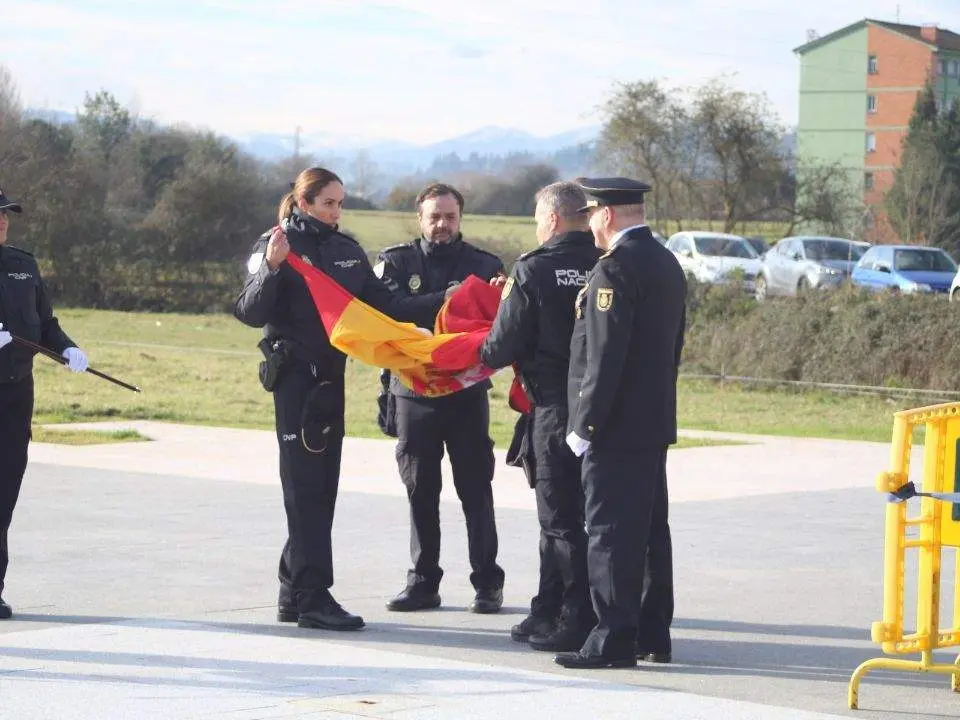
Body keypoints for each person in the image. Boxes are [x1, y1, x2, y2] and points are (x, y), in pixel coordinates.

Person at [235, 167, 451, 631]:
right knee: (305, 489)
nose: (337, 211)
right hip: (295, 384)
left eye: (340, 203)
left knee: (320, 488)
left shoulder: (347, 250)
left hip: (331, 382)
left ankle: (293, 592)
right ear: (303, 202)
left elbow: (387, 306)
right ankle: (313, 597)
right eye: (328, 203)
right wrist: (271, 268)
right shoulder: (276, 246)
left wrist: (445, 300)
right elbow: (249, 312)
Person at [554, 177, 686, 670]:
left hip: (613, 427)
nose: (588, 223)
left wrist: (584, 427)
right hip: (651, 422)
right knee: (650, 530)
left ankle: (612, 639)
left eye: (589, 214)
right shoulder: (665, 260)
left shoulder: (615, 269)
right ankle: (653, 633)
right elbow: (672, 348)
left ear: (605, 215)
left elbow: (604, 358)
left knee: (608, 531)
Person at [479, 181, 600, 651]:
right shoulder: (603, 263)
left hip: (552, 407)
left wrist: (479, 338)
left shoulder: (533, 269)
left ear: (550, 219)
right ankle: (546, 606)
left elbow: (500, 346)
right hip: (597, 407)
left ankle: (574, 615)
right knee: (575, 516)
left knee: (559, 519)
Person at [376, 183, 506, 614]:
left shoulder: (485, 266)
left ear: (460, 218)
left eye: (450, 217)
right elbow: (388, 311)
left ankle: (487, 581)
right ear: (420, 218)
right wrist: (445, 300)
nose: (442, 225)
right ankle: (422, 582)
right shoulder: (396, 262)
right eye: (434, 217)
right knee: (420, 488)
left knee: (475, 488)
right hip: (414, 393)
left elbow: (498, 321)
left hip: (466, 393)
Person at [0, 186, 89, 620]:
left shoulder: (22, 265)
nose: (1, 220)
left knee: (4, 493)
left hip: (15, 393)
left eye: (4, 214)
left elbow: (45, 324)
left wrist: (68, 348)